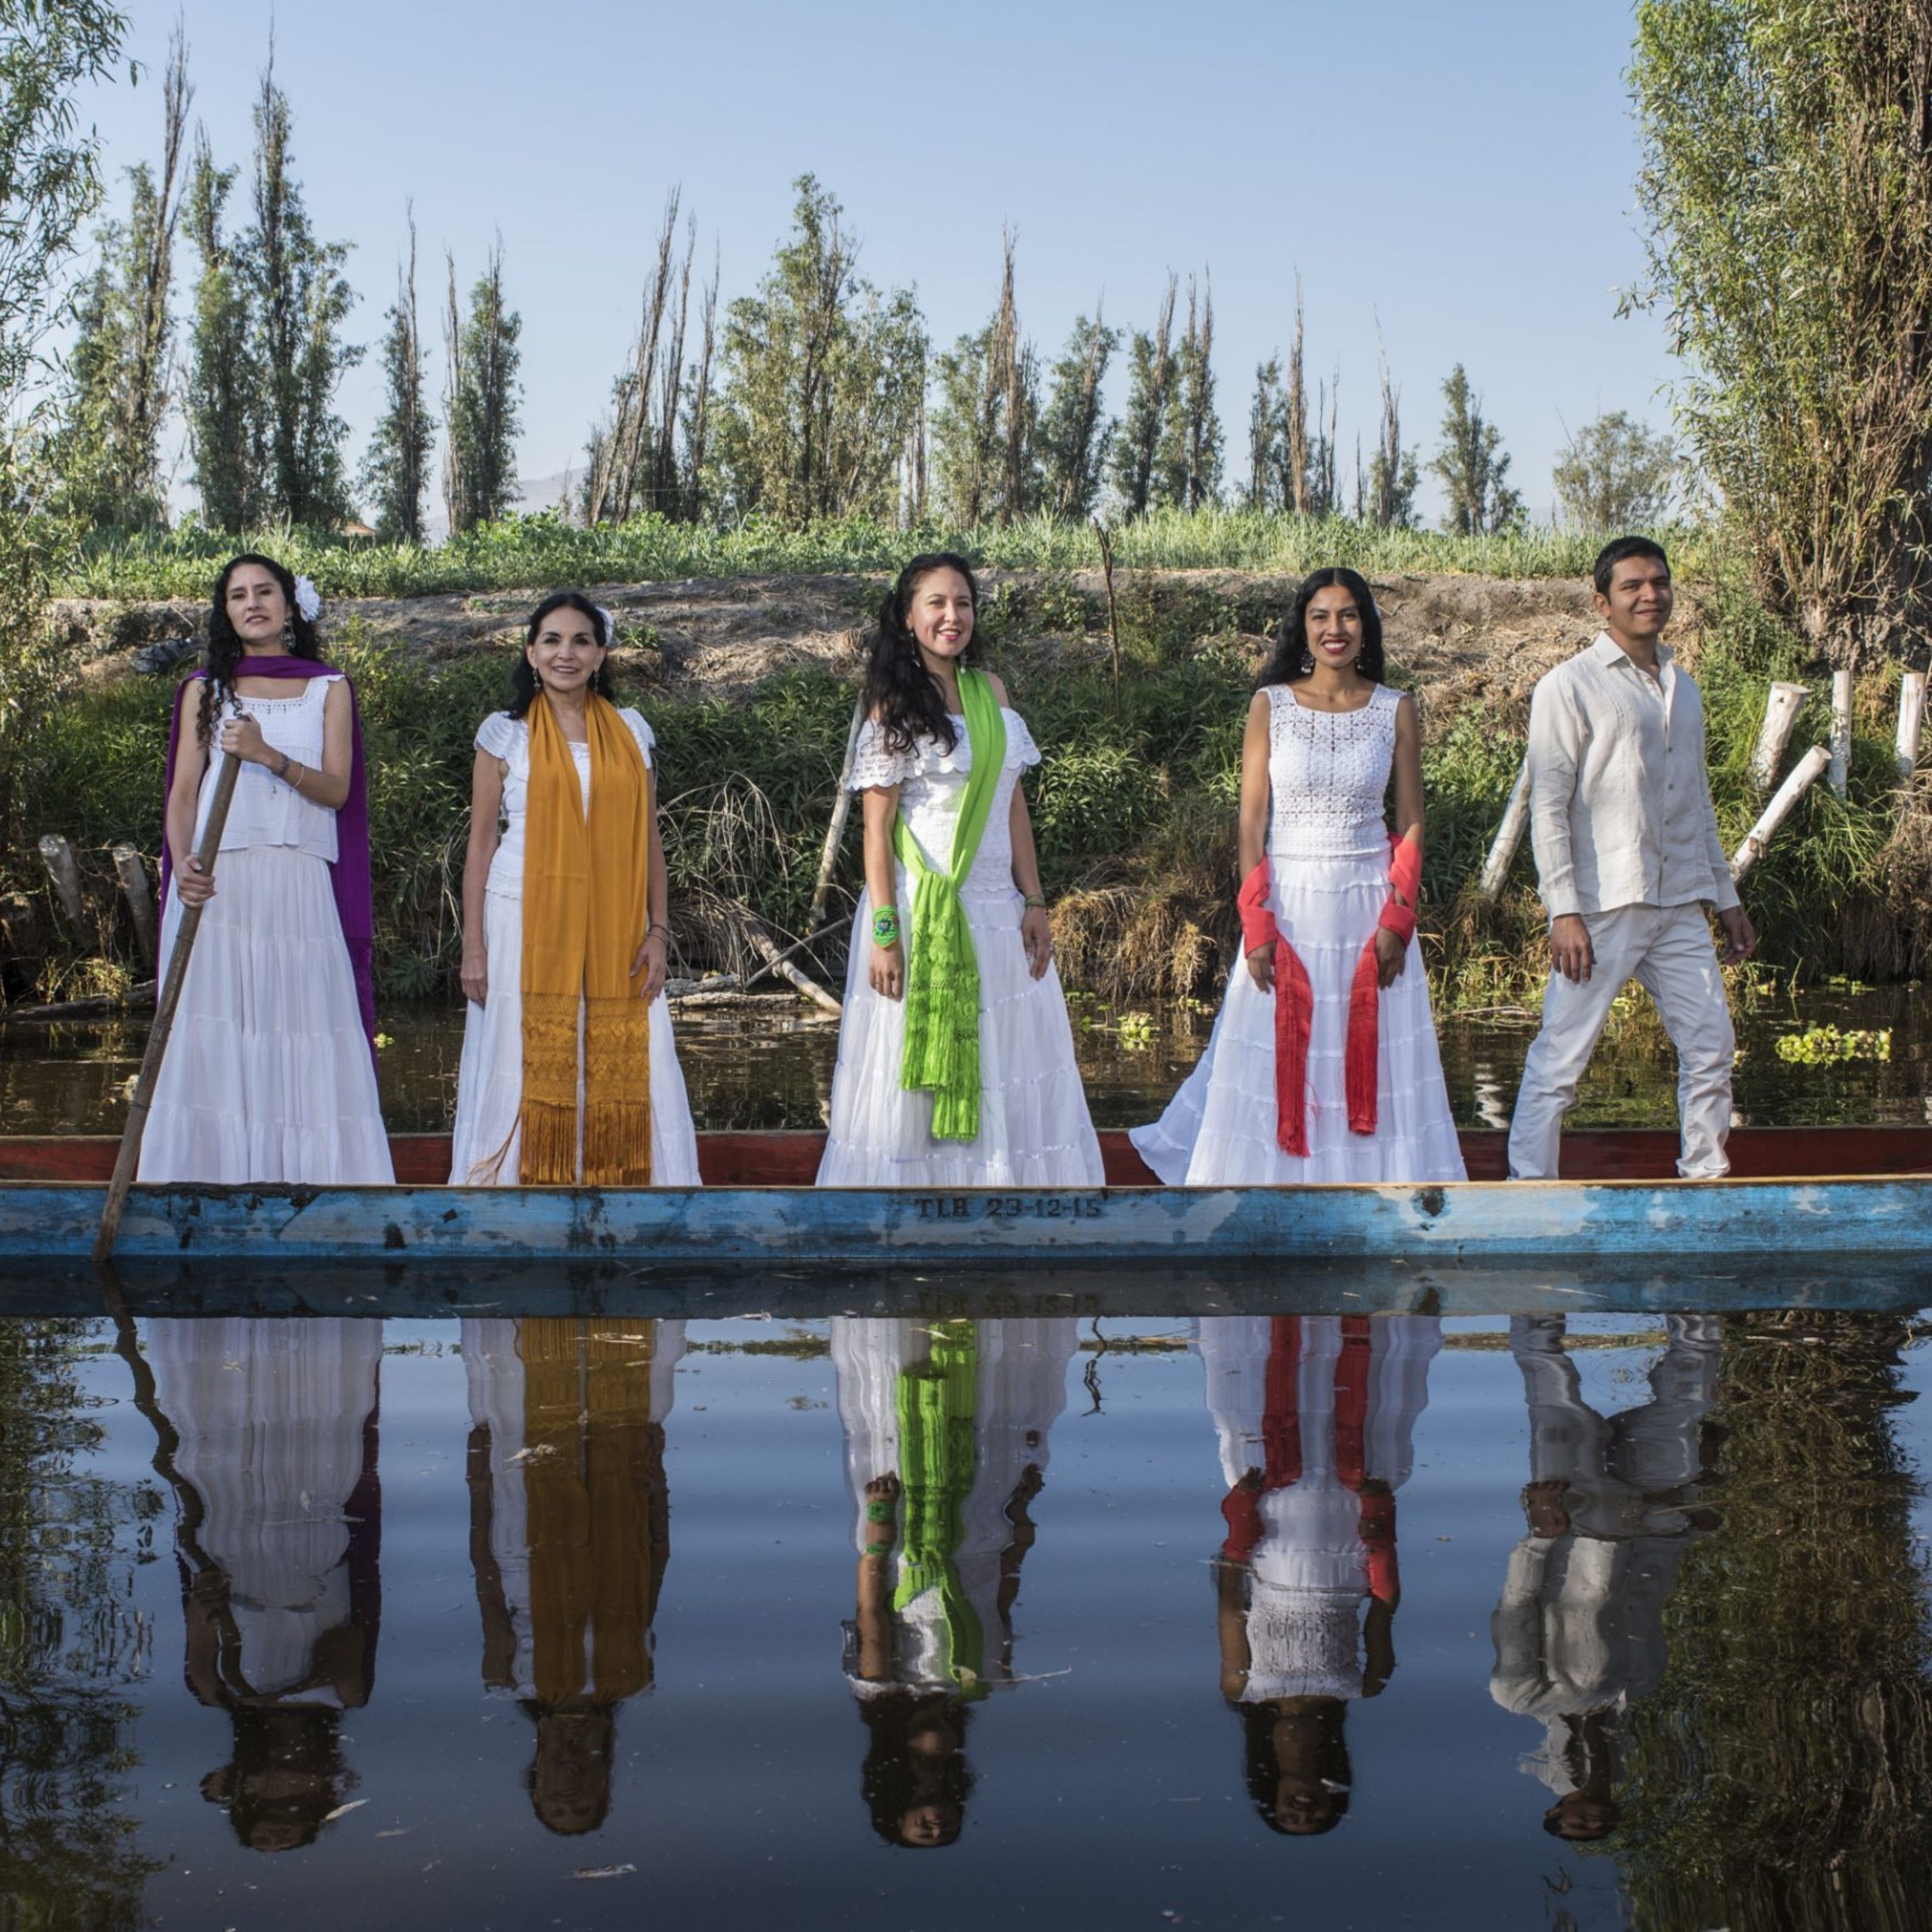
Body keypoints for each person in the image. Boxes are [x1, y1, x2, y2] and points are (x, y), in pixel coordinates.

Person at [1133, 568, 1463, 1184]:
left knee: (1370, 1051)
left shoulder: (1396, 709)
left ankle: (1375, 1187)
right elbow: (1252, 824)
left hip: (1369, 905)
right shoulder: (1271, 705)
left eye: (1347, 615)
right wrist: (1257, 925)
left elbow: (1413, 820)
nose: (1334, 629)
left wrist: (1399, 915)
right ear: (1302, 627)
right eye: (1320, 616)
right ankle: (1263, 1190)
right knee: (1268, 1046)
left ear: (1365, 625)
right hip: (1288, 904)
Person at [817, 553, 1103, 1187]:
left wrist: (1034, 900)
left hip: (998, 912)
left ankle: (1007, 1196)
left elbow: (1013, 807)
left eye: (963, 603)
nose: (953, 617)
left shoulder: (990, 691)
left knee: (1006, 1057)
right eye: (937, 604)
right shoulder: (891, 704)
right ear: (907, 615)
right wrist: (886, 934)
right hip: (921, 913)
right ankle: (918, 1201)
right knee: (911, 1071)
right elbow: (877, 831)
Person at [1508, 537, 1755, 1181]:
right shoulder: (1568, 687)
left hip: (1677, 903)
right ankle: (1526, 1193)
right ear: (1602, 602)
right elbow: (1550, 807)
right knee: (1561, 1058)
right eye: (1632, 586)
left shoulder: (1684, 689)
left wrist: (1725, 898)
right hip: (1602, 906)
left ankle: (1704, 1177)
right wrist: (1563, 910)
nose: (1650, 595)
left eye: (1660, 583)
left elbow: (1697, 803)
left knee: (1711, 1046)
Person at [140, 555, 392, 1185]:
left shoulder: (329, 687)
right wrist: (187, 867)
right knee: (218, 1032)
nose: (252, 603)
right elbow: (183, 796)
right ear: (225, 611)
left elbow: (336, 791)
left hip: (297, 886)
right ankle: (206, 1180)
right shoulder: (205, 689)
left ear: (289, 604)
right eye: (237, 595)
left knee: (301, 1028)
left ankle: (314, 1183)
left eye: (265, 592)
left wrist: (266, 755)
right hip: (221, 885)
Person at [450, 593, 699, 1186]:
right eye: (553, 641)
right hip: (522, 919)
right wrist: (473, 949)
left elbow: (649, 842)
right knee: (521, 1052)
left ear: (601, 653)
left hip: (617, 925)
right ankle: (514, 1193)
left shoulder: (631, 731)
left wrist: (658, 932)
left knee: (629, 1057)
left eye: (581, 640)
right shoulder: (504, 736)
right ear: (531, 652)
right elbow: (480, 846)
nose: (567, 653)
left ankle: (624, 1191)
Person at [142, 1316, 384, 1853]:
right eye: (292, 1802)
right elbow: (345, 1644)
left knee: (219, 1429)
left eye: (263, 1800)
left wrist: (206, 1603)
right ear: (321, 1788)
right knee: (317, 1420)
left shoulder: (215, 1692)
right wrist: (282, 1694)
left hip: (232, 1541)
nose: (278, 1785)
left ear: (244, 1787)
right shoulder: (345, 1696)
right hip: (316, 1550)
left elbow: (198, 1620)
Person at [834, 1315, 1077, 1846]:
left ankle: (918, 1325)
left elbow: (872, 1607)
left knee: (918, 1423)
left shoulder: (882, 1688)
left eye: (922, 1831)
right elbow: (1001, 1601)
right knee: (975, 1428)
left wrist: (879, 1523)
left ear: (894, 1806)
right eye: (947, 1830)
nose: (938, 1824)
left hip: (912, 1534)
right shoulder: (981, 1684)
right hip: (983, 1534)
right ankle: (969, 1324)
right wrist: (1020, 1517)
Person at [1200, 1313, 1441, 1834]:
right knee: (1352, 1426)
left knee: (1278, 1427)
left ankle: (1280, 1320)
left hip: (1276, 1547)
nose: (1305, 1808)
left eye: (1291, 1813)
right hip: (1345, 1542)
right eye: (1318, 1815)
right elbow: (1384, 1605)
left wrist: (1240, 1528)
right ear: (1335, 1796)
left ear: (1275, 1795)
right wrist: (1377, 1525)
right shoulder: (1366, 1684)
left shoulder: (1242, 1687)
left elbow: (1229, 1607)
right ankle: (1356, 1317)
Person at [1489, 1312, 1722, 1841]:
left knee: (1548, 1378)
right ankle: (1696, 1295)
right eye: (1600, 1824)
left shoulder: (1522, 1694)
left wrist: (1542, 1534)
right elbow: (1647, 1595)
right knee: (1691, 1395)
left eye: (1576, 1823)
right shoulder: (1639, 1683)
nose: (1592, 1818)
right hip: (1651, 1517)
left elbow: (1517, 1607)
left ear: (1555, 1812)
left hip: (1571, 1517)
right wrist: (1690, 1515)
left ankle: (1536, 1291)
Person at [464, 1316, 682, 1835]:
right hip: (619, 1536)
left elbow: (487, 1586)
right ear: (606, 1779)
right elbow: (650, 1585)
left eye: (558, 1805)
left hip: (526, 1536)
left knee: (524, 1414)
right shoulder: (633, 1680)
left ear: (535, 1778)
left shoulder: (508, 1679)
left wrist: (478, 1480)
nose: (571, 1790)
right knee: (619, 1427)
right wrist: (655, 1495)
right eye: (584, 1804)